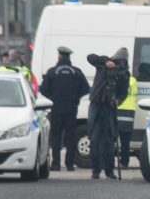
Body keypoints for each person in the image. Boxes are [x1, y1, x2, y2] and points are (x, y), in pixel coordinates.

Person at [40, 46, 90, 171]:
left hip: (56, 108)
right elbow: (86, 89)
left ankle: (56, 164)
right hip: (72, 108)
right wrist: (76, 97)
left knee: (56, 135)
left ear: (59, 56)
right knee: (71, 135)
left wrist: (52, 98)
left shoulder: (52, 72)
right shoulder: (76, 72)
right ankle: (69, 164)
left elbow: (43, 89)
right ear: (69, 57)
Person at [85, 47, 130, 180]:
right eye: (117, 61)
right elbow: (90, 57)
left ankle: (109, 170)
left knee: (109, 140)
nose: (118, 64)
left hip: (109, 107)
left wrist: (118, 101)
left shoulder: (124, 74)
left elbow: (123, 93)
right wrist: (106, 62)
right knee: (94, 138)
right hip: (96, 104)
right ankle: (96, 170)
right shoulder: (103, 64)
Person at [113, 48, 139, 168]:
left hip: (116, 110)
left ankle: (109, 162)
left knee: (112, 139)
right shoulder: (133, 80)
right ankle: (124, 163)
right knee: (125, 141)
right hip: (129, 113)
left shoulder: (116, 78)